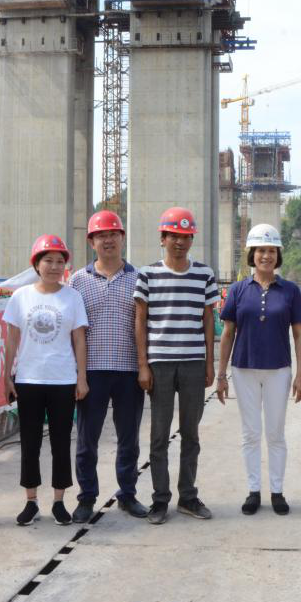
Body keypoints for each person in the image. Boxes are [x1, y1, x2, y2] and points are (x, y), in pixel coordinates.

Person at [134, 207, 219, 524]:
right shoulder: (148, 274)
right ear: (163, 238)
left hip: (194, 362)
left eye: (186, 237)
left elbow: (208, 319)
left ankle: (188, 496)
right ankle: (160, 499)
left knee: (191, 434)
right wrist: (143, 365)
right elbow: (140, 321)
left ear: (192, 239)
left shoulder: (204, 274)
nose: (180, 242)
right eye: (174, 236)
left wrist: (209, 362)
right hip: (160, 364)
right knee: (159, 435)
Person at [216, 224, 301, 516]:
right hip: (243, 369)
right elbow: (227, 333)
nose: (266, 256)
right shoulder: (238, 290)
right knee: (251, 433)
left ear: (278, 255)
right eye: (260, 251)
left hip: (279, 370)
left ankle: (277, 491)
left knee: (276, 433)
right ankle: (253, 490)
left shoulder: (290, 290)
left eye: (271, 251)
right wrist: (221, 375)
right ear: (251, 254)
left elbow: (299, 334)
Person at [2, 234, 88, 527]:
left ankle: (59, 501)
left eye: (59, 261)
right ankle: (31, 501)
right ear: (36, 265)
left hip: (63, 379)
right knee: (30, 442)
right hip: (29, 379)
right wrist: (7, 376)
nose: (54, 266)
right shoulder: (21, 297)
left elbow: (79, 339)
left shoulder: (72, 297)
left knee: (62, 443)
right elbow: (12, 339)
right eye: (48, 260)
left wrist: (81, 377)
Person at [69, 210, 148, 522]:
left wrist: (144, 366)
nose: (108, 240)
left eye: (113, 234)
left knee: (129, 439)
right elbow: (73, 331)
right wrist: (78, 375)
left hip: (129, 370)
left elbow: (145, 325)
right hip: (92, 372)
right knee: (87, 440)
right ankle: (86, 498)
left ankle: (127, 495)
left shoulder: (139, 278)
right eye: (101, 235)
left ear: (122, 238)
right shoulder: (78, 280)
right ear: (91, 242)